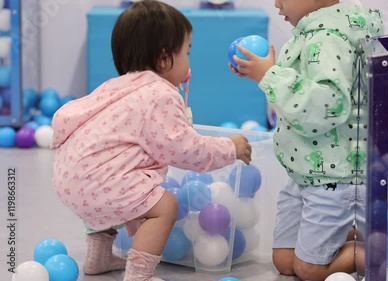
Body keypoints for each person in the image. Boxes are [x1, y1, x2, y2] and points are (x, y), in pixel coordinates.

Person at [51, 1, 252, 280]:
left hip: (69, 180)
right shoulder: (160, 94)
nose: (189, 60)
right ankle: (139, 275)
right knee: (165, 205)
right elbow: (186, 151)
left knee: (109, 181)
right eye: (187, 52)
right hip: (99, 182)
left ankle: (98, 258)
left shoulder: (117, 86)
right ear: (164, 59)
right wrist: (230, 147)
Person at [229, 0, 384, 280]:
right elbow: (304, 92)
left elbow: (329, 105)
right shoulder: (312, 33)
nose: (276, 4)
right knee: (285, 261)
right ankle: (350, 230)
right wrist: (263, 74)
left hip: (335, 177)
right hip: (306, 174)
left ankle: (379, 247)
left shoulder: (328, 39)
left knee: (309, 270)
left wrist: (270, 76)